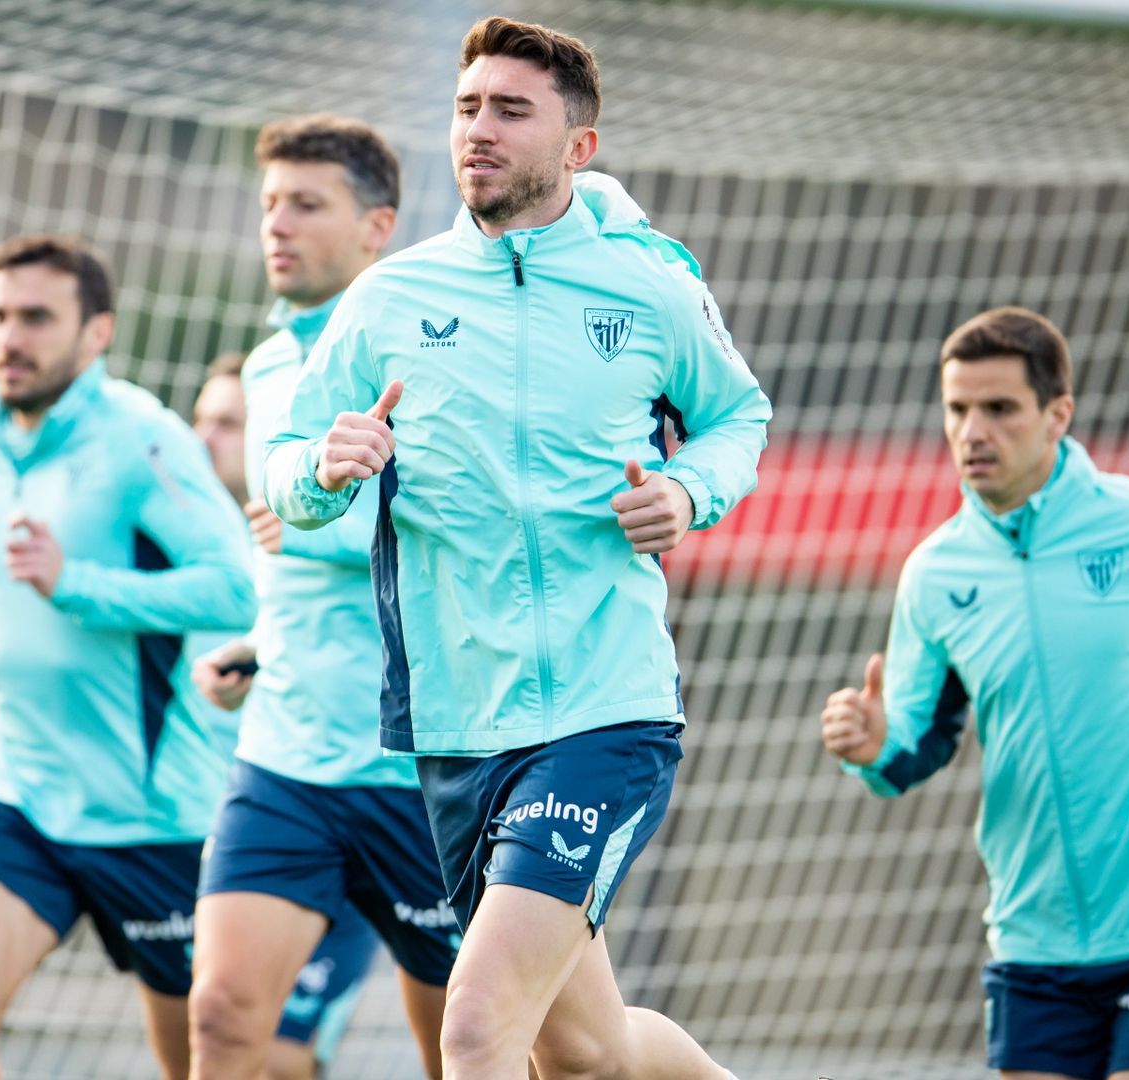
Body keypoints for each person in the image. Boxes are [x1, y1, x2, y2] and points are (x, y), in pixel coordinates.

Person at [263, 21, 771, 1080]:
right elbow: (282, 466)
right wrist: (322, 467)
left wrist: (688, 489)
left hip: (604, 708)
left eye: (510, 110)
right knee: (584, 1050)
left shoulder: (649, 288)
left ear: (577, 148)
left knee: (477, 1025)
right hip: (457, 723)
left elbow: (739, 417)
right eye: (466, 108)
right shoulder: (392, 299)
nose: (478, 130)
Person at [818, 306, 1129, 1080]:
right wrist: (876, 743)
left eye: (999, 409)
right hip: (1033, 931)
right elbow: (913, 748)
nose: (973, 431)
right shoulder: (934, 574)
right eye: (957, 409)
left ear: (1058, 415)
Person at [0, 234, 256, 1080]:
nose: (9, 339)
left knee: (205, 1066)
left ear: (95, 333)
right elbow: (2, 596)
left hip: (155, 816)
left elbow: (232, 591)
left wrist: (80, 586)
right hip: (24, 795)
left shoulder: (145, 438)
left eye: (35, 318)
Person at [186, 114, 458, 1080]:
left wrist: (311, 513)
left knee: (472, 1051)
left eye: (306, 203)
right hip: (286, 758)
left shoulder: (426, 351)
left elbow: (437, 531)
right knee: (222, 1019)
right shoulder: (265, 364)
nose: (279, 224)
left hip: (420, 768)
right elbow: (298, 551)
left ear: (376, 226)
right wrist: (258, 647)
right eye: (269, 204)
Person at [190, 350, 390, 1079]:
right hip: (237, 818)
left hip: (367, 801)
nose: (207, 438)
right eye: (202, 421)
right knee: (218, 1036)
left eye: (229, 423)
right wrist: (250, 656)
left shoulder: (315, 520)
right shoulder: (201, 540)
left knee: (279, 1056)